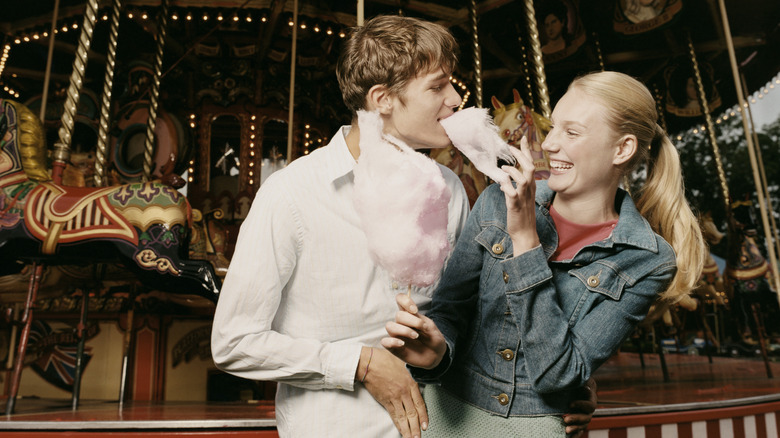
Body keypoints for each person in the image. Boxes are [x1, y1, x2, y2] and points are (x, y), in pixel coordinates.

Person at [211, 15, 595, 438]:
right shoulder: (291, 195)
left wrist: (557, 391)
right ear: (382, 99)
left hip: (446, 428)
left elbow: (474, 321)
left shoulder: (448, 189)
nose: (455, 99)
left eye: (452, 84)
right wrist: (362, 363)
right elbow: (234, 342)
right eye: (437, 86)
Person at [383, 71, 706, 436]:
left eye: (572, 132)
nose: (549, 144)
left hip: (532, 427)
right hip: (445, 413)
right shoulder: (496, 199)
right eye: (553, 128)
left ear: (622, 149)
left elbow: (559, 374)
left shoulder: (646, 259)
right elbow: (450, 310)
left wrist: (524, 239)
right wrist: (437, 353)